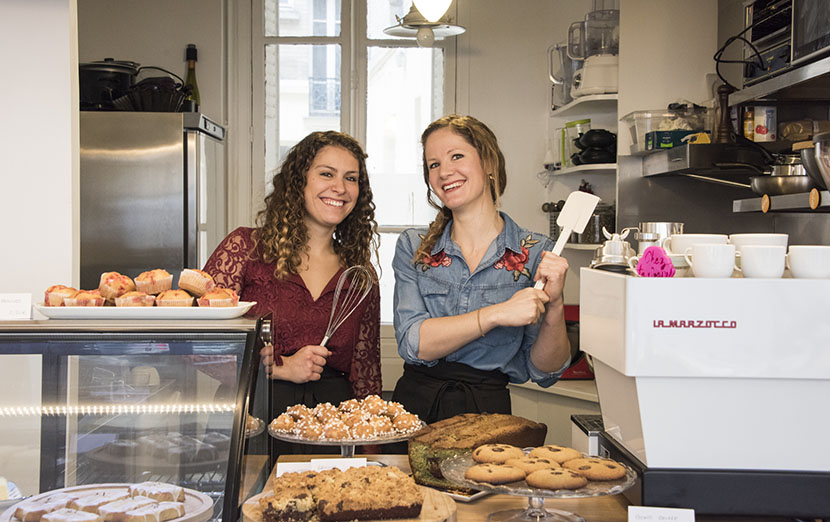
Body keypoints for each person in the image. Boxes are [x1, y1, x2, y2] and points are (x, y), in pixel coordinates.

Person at [203, 130, 381, 453]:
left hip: (334, 432)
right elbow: (198, 346)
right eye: (326, 174)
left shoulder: (359, 276)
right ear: (298, 181)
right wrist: (282, 367)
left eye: (351, 178)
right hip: (255, 423)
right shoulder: (244, 249)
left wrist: (370, 455)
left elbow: (367, 379)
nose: (339, 188)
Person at [391, 114, 571, 425]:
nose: (445, 171)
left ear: (488, 162)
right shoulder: (415, 246)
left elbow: (545, 371)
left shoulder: (536, 252)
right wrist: (498, 313)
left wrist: (554, 305)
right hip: (415, 410)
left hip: (489, 414)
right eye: (433, 165)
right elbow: (414, 343)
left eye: (456, 156)